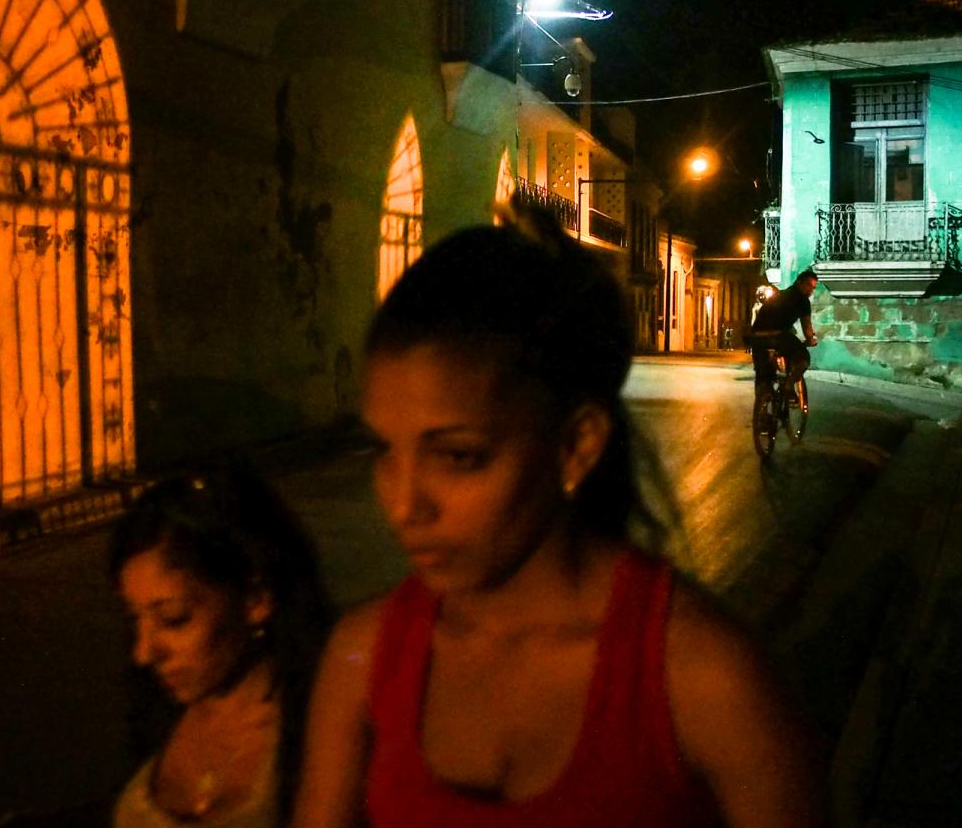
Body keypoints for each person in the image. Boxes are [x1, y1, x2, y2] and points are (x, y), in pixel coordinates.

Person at [292, 206, 824, 828]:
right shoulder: (365, 657)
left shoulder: (704, 679)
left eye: (459, 456)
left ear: (576, 445)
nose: (404, 503)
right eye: (385, 449)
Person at [111, 472, 333, 828]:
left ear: (255, 598)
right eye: (134, 617)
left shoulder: (322, 732)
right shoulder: (161, 714)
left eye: (174, 619)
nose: (143, 653)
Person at [750, 270, 819, 404]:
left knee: (762, 372)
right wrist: (810, 340)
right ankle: (789, 385)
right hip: (778, 336)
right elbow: (807, 328)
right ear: (799, 282)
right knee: (803, 359)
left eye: (813, 288)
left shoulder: (779, 295)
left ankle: (761, 405)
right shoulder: (803, 301)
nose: (811, 290)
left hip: (757, 335)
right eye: (808, 285)